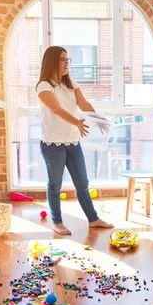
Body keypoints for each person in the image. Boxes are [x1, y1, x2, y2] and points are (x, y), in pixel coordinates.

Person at [36, 46, 113, 235]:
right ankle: (57, 222)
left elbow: (84, 103)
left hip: (72, 141)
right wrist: (77, 122)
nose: (67, 63)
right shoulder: (44, 86)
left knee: (82, 183)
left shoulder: (70, 84)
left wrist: (98, 119)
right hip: (52, 144)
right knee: (55, 184)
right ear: (52, 62)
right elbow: (56, 109)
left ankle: (93, 219)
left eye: (67, 59)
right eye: (63, 59)